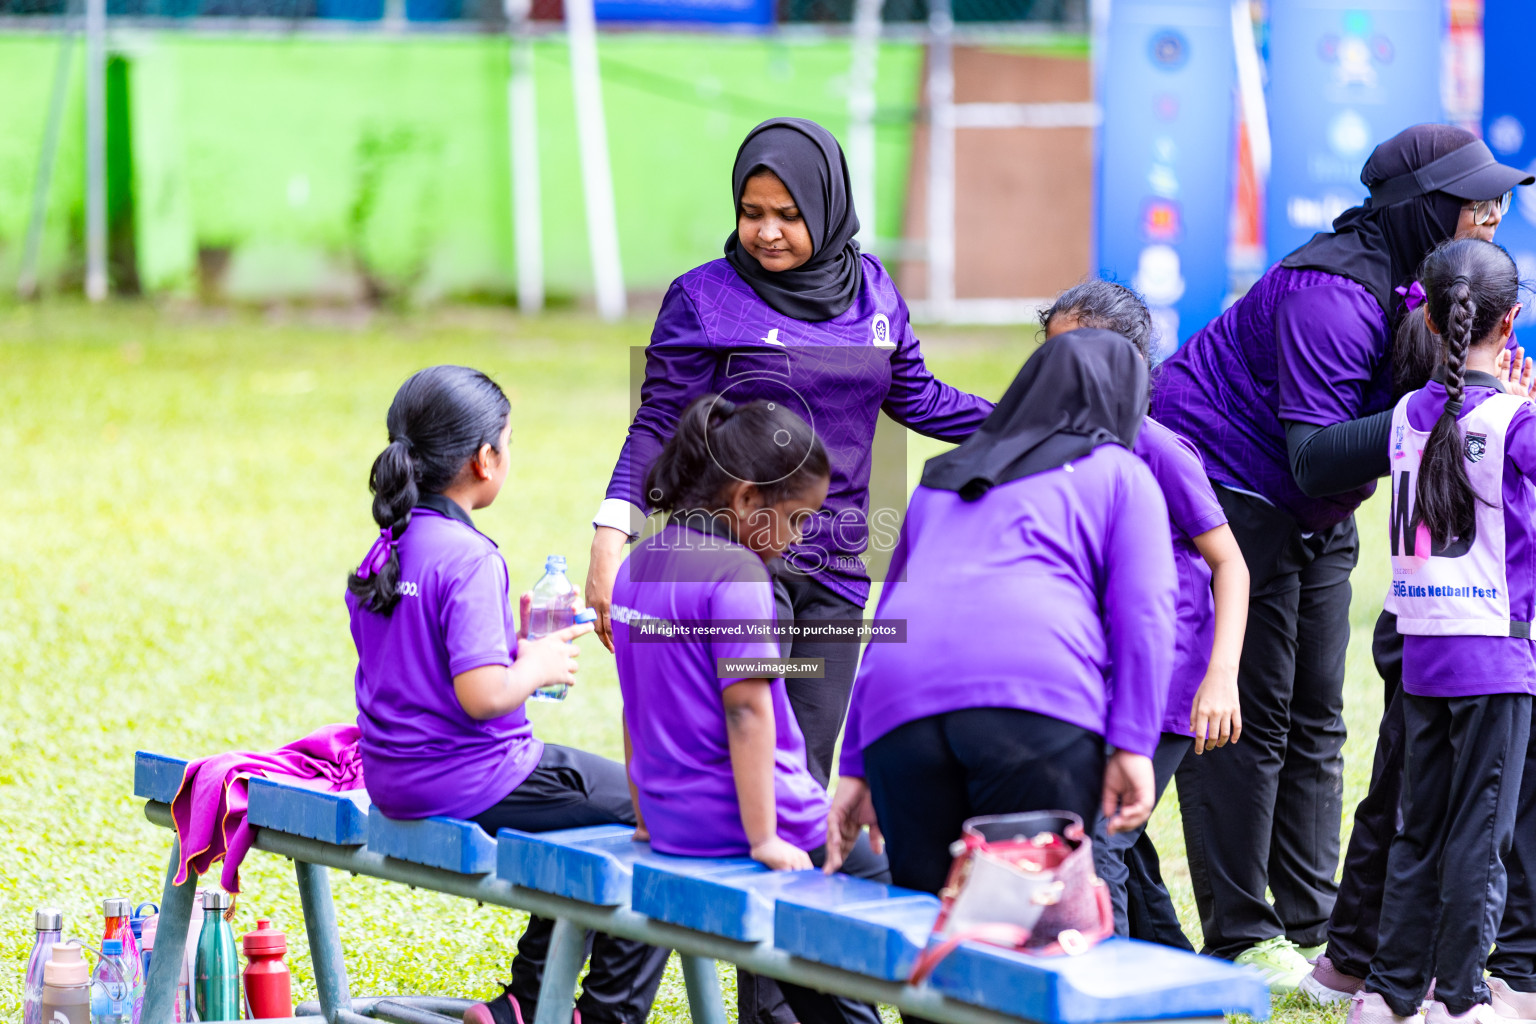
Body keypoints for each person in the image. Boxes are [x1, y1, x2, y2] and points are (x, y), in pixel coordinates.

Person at [586, 115, 991, 1024]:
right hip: (736, 567)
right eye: (750, 211)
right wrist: (611, 533)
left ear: (828, 209)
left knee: (796, 773)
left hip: (838, 575)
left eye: (785, 214)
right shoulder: (703, 300)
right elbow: (656, 420)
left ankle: (778, 998)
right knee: (722, 767)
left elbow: (918, 396)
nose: (765, 231)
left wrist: (1037, 417)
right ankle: (703, 996)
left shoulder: (875, 291)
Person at [1150, 123, 1535, 988]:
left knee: (1321, 712)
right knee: (1247, 712)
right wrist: (1445, 404)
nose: (1495, 216)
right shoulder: (1333, 291)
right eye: (1479, 203)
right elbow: (1316, 453)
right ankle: (1243, 934)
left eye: (1500, 202)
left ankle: (1312, 921)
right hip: (1227, 488)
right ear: (1426, 208)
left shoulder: (1424, 284)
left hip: (1316, 511)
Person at [344, 366, 670, 1024]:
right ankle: (601, 1016)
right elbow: (482, 695)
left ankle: (523, 1003)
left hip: (395, 777)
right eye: (509, 443)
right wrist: (540, 662)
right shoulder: (469, 556)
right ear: (485, 460)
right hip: (473, 779)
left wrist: (512, 642)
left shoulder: (388, 546)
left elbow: (422, 668)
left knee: (585, 821)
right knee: (662, 814)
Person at [825, 330, 1177, 917]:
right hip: (1032, 704)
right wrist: (1134, 743)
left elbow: (890, 620)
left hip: (899, 711)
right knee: (1026, 925)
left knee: (928, 920)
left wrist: (857, 765)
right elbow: (1146, 615)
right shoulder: (1119, 470)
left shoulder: (943, 477)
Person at [612, 395, 888, 1024]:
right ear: (744, 501)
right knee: (881, 876)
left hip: (673, 820)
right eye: (794, 520)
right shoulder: (736, 575)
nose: (795, 541)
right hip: (753, 824)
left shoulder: (639, 563)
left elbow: (636, 703)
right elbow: (748, 713)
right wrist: (764, 837)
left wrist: (648, 816)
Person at [1346, 238, 1535, 1024]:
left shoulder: (1402, 417)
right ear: (1513, 321)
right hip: (1494, 657)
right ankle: (1458, 1002)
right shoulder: (1513, 424)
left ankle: (1389, 995)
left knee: (1416, 830)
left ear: (1424, 315)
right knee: (1480, 838)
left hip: (1423, 653)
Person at [1039, 280, 1249, 950]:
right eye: (1050, 355)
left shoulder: (1158, 447)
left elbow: (1232, 565)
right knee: (1121, 841)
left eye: (1076, 355)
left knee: (1100, 841)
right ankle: (1185, 989)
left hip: (1166, 686)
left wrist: (1221, 678)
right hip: (1103, 679)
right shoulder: (1056, 446)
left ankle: (1108, 995)